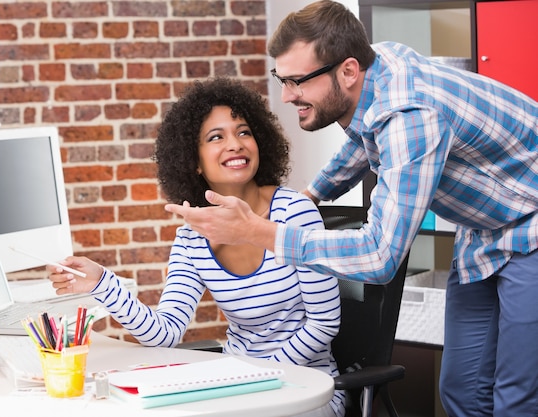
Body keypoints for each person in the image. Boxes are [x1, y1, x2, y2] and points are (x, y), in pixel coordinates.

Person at [164, 1, 538, 416]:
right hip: (485, 229)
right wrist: (308, 198)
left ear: (347, 70)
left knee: (516, 397)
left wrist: (261, 231)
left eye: (298, 81)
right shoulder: (377, 68)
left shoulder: (411, 119)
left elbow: (380, 257)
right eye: (282, 79)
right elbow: (365, 137)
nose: (287, 95)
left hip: (532, 222)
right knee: (462, 390)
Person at [48, 77, 345, 417]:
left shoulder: (295, 214)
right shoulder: (193, 238)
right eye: (216, 137)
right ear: (195, 161)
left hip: (305, 390)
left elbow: (323, 324)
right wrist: (102, 283)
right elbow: (166, 333)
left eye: (244, 132)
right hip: (240, 390)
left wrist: (257, 377)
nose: (235, 144)